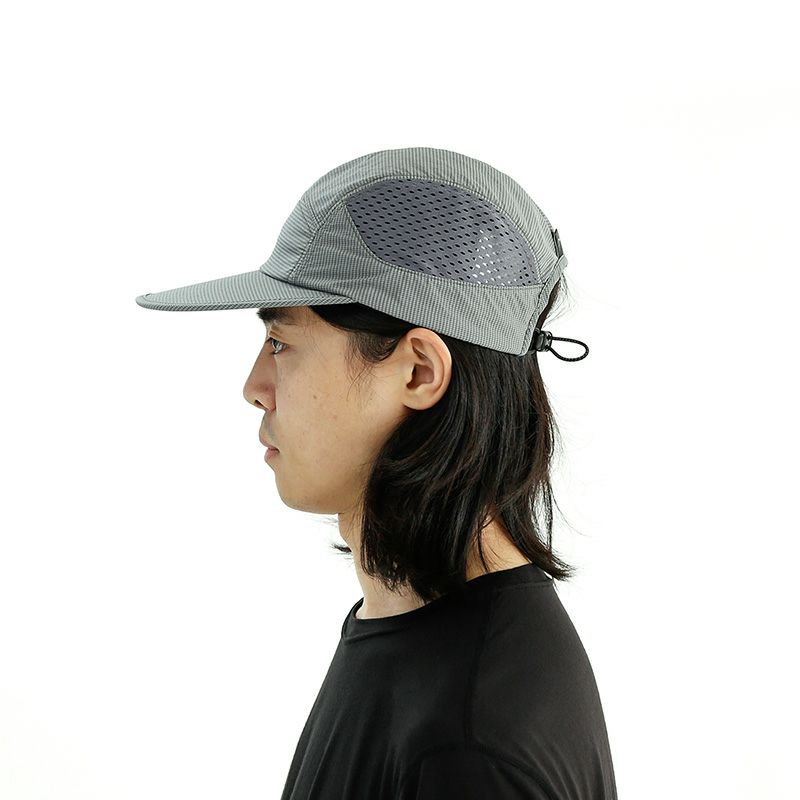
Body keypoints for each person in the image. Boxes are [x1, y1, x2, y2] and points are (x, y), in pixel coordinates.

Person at [136, 146, 616, 798]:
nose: (254, 387)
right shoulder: (404, 627)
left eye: (280, 342)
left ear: (418, 372)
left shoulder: (471, 744)